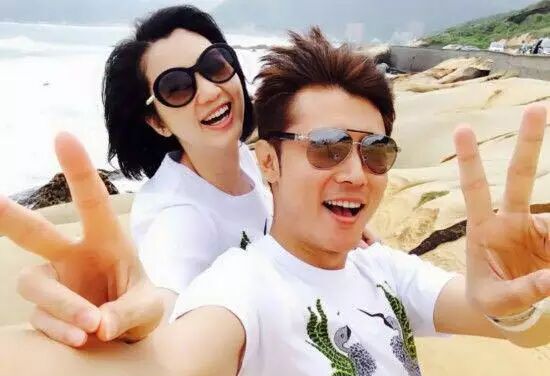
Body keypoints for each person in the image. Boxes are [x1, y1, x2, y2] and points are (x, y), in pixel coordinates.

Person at [1, 28, 549, 376]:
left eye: (376, 150)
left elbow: (508, 321)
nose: (356, 174)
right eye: (327, 147)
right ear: (271, 162)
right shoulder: (234, 280)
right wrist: (112, 338)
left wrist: (522, 295)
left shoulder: (382, 267)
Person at [12, 5, 377, 348]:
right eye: (176, 88)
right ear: (157, 122)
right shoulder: (179, 217)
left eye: (215, 66)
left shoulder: (246, 158)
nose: (210, 91)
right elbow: (163, 309)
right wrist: (125, 330)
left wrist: (326, 226)